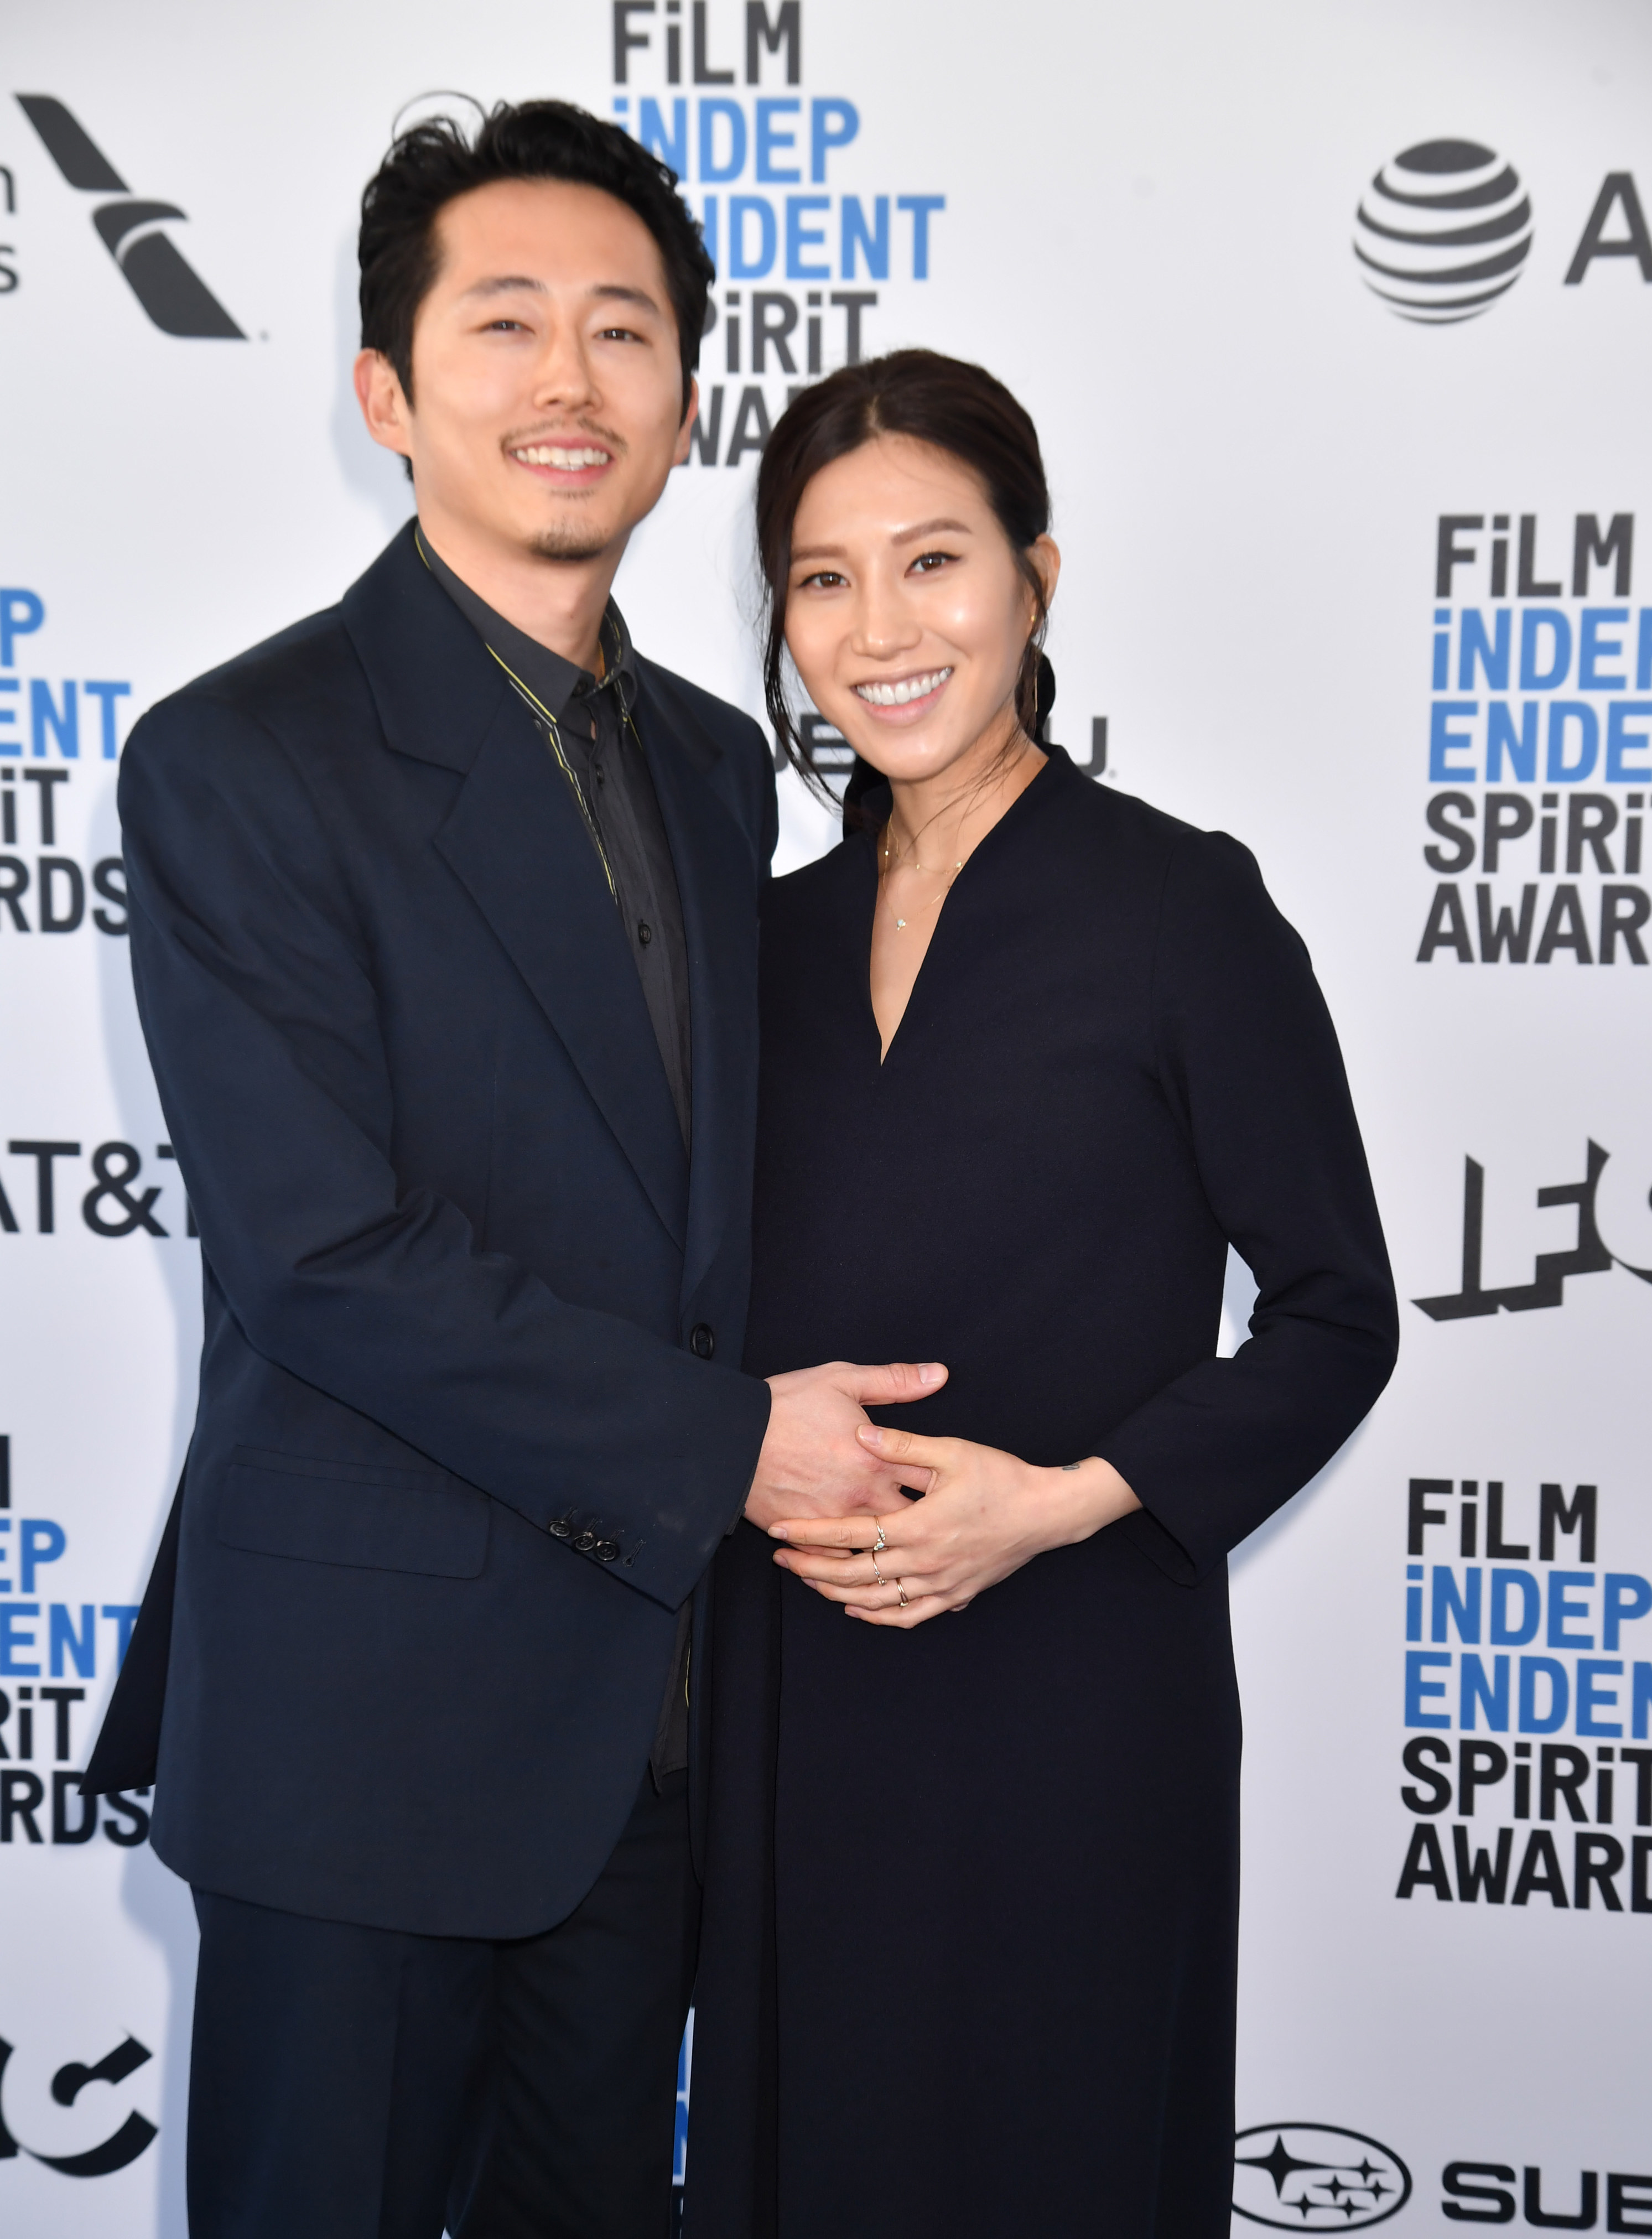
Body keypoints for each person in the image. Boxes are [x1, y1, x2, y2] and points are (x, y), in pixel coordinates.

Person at [82, 104, 941, 2239]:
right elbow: (325, 1255)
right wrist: (735, 1447)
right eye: (508, 325)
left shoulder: (727, 763)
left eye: (625, 333)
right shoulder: (238, 756)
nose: (571, 382)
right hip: (368, 1746)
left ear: (679, 413)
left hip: (653, 1740)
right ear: (387, 393)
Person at [684, 351, 1399, 2239]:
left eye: (934, 561)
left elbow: (1340, 1311)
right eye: (824, 579)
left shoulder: (1185, 909)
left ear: (1038, 579)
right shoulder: (760, 940)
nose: (880, 627)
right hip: (799, 1693)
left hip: (1080, 1694)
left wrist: (1067, 1504)